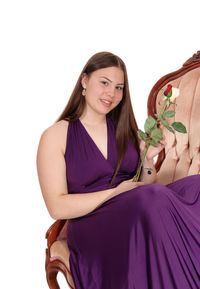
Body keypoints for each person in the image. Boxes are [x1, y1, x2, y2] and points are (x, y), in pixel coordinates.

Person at [36, 51, 200, 289]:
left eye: (119, 87)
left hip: (137, 211)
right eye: (104, 83)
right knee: (152, 198)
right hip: (92, 223)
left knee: (195, 186)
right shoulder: (55, 136)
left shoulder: (125, 129)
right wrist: (116, 193)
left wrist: (147, 161)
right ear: (84, 81)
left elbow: (148, 191)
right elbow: (56, 206)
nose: (111, 94)